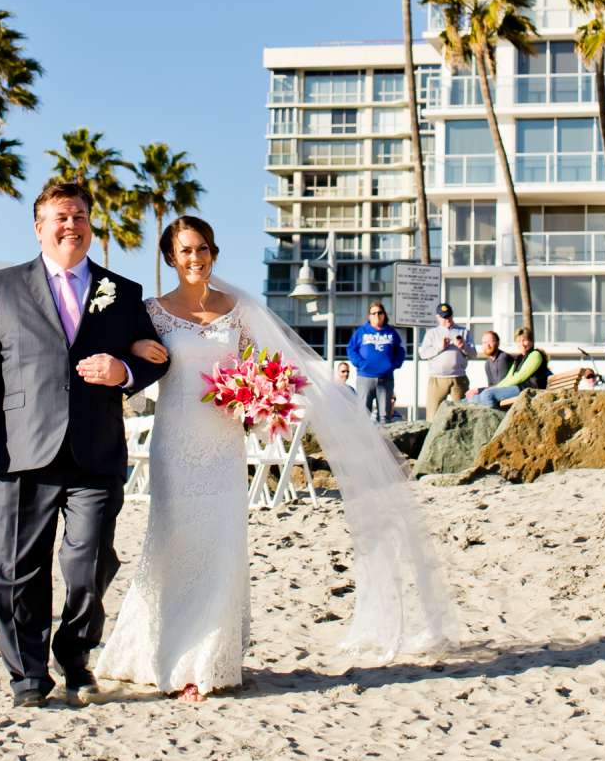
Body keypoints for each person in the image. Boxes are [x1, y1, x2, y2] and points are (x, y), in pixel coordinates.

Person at [98, 214, 460, 703]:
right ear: (170, 257)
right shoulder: (152, 312)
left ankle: (204, 663)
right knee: (172, 543)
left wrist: (261, 396)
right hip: (175, 444)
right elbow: (131, 363)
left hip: (224, 445)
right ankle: (153, 651)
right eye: (184, 250)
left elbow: (268, 367)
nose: (195, 257)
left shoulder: (238, 309)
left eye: (202, 248)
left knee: (220, 546)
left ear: (214, 252)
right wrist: (139, 345)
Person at [0, 179, 169, 709]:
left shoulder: (123, 292)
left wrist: (124, 370)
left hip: (95, 450)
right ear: (39, 226)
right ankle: (28, 676)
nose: (71, 225)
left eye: (79, 216)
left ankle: (74, 655)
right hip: (20, 449)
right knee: (16, 571)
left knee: (89, 562)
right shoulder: (3, 286)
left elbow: (156, 355)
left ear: (90, 224)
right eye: (60, 216)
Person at [345, 301, 407, 425]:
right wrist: (360, 363)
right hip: (365, 378)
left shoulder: (391, 332)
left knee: (384, 417)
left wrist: (394, 364)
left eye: (380, 312)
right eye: (373, 313)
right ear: (369, 316)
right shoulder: (361, 332)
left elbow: (400, 350)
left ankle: (384, 444)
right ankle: (363, 443)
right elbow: (351, 349)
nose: (377, 315)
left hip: (386, 379)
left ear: (384, 315)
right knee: (363, 415)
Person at [469, 323, 554, 408]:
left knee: (487, 395)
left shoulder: (535, 355)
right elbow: (508, 378)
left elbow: (519, 377)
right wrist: (492, 388)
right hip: (519, 388)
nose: (522, 344)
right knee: (472, 398)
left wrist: (493, 389)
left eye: (525, 340)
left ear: (531, 342)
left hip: (529, 389)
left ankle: (499, 419)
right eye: (519, 341)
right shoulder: (519, 358)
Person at [416, 303, 472, 419]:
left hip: (458, 377)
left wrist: (463, 346)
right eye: (444, 317)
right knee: (432, 415)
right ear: (438, 317)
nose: (448, 320)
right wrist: (440, 347)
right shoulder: (432, 333)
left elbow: (473, 353)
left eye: (449, 316)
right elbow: (423, 354)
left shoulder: (463, 331)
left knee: (462, 414)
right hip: (437, 378)